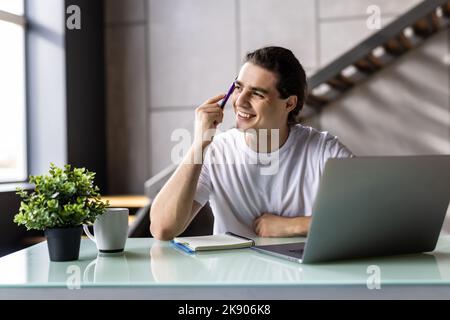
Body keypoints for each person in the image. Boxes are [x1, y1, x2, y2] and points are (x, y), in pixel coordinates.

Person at [150, 46, 353, 240]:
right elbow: (162, 229)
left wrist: (292, 226)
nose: (240, 101)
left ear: (289, 103)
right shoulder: (216, 151)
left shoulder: (324, 151)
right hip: (232, 274)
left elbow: (370, 215)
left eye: (257, 93)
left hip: (300, 275)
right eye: (238, 88)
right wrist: (199, 144)